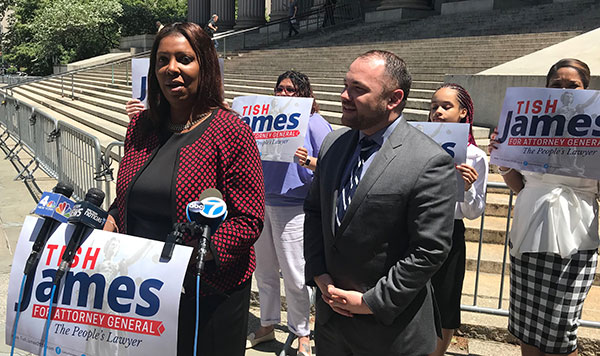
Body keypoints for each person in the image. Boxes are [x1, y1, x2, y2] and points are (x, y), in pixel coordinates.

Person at [103, 22, 264, 356]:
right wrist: (112, 218)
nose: (171, 69)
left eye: (183, 59)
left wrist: (193, 259)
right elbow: (128, 196)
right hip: (140, 290)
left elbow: (248, 219)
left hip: (207, 294)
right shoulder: (141, 126)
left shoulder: (231, 132)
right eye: (162, 60)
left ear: (204, 65)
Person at [303, 50, 456, 355]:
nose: (345, 96)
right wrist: (318, 273)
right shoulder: (334, 144)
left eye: (358, 89)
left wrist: (372, 302)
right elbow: (315, 212)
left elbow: (430, 249)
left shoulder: (429, 160)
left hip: (391, 334)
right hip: (332, 325)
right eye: (346, 85)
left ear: (394, 99)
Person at [489, 58, 597, 356]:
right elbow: (520, 185)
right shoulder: (529, 125)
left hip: (575, 238)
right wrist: (501, 159)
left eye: (572, 86)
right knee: (528, 327)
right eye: (556, 85)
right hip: (528, 233)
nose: (564, 91)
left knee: (562, 331)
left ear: (586, 89)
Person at [246, 71, 332, 356]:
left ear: (305, 94)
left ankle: (302, 331)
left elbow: (332, 165)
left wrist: (308, 161)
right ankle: (267, 324)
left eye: (290, 90)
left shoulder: (316, 123)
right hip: (261, 203)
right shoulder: (263, 120)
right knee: (265, 271)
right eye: (279, 89)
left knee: (295, 276)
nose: (283, 94)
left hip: (294, 208)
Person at [427, 84, 488, 356]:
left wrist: (468, 188)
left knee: (445, 303)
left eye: (446, 106)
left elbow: (475, 212)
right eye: (434, 106)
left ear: (463, 112)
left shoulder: (475, 156)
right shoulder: (417, 143)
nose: (437, 112)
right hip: (415, 229)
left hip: (448, 234)